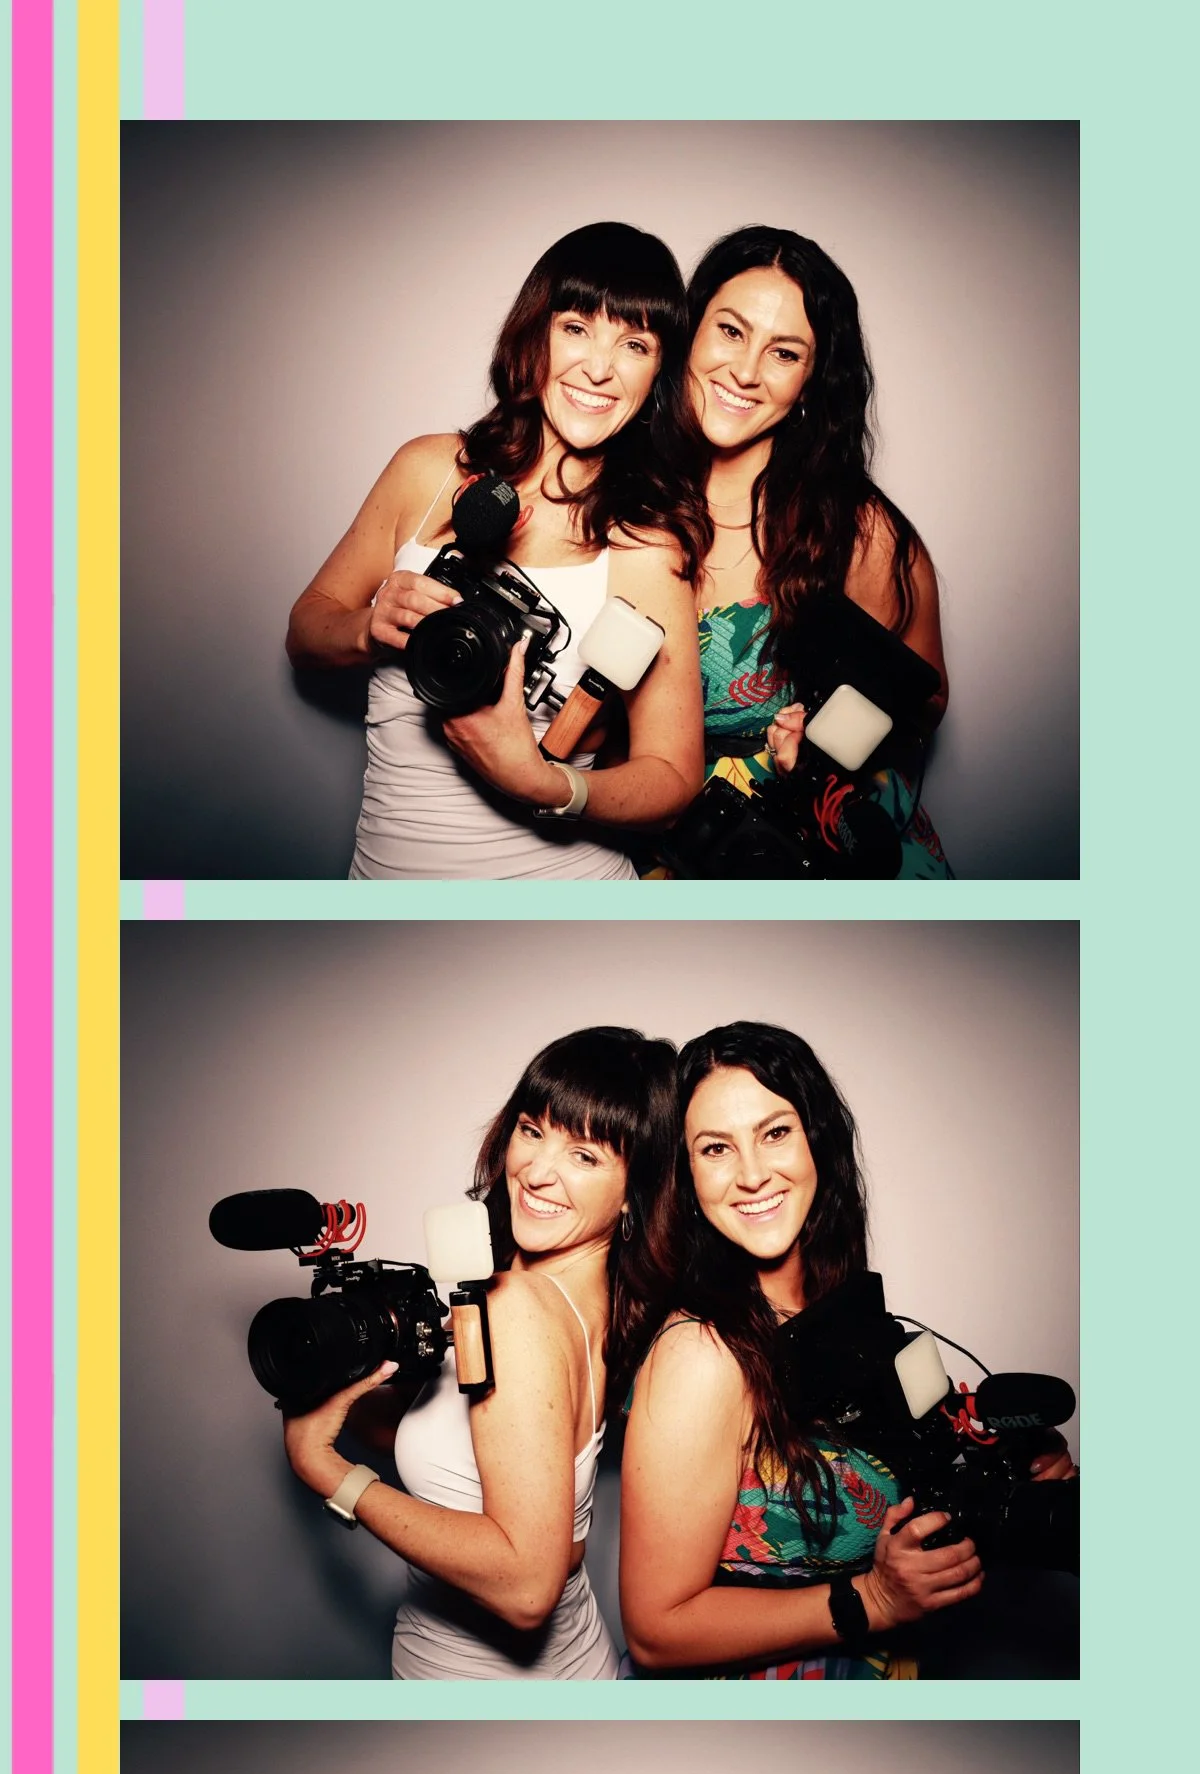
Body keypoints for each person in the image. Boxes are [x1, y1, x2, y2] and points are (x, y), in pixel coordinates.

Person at [286, 224, 706, 881]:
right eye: (576, 327)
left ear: (657, 375)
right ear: (534, 332)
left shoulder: (646, 545)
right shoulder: (428, 472)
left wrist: (546, 784)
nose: (599, 367)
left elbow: (675, 779)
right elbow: (306, 630)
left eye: (634, 343)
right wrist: (370, 626)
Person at [280, 1026, 676, 1681]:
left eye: (586, 1156)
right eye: (532, 1129)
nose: (538, 1171)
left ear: (636, 1187)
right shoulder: (592, 1299)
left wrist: (325, 1469)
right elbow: (475, 1462)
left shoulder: (519, 1307)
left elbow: (526, 1589)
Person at [620, 1018, 989, 1679]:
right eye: (715, 1149)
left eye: (775, 1132)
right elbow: (656, 1632)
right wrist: (873, 1600)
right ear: (686, 1177)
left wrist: (1007, 1468)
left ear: (817, 1139)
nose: (753, 1174)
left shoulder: (839, 1314)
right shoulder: (702, 1354)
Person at [647, 224, 952, 879]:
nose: (746, 372)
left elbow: (921, 705)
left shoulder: (854, 531)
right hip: (671, 859)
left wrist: (820, 760)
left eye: (785, 353)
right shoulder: (622, 500)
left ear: (813, 381)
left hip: (823, 866)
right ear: (690, 331)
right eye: (730, 331)